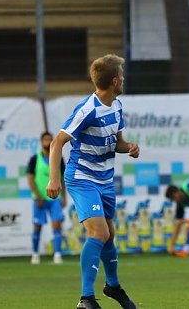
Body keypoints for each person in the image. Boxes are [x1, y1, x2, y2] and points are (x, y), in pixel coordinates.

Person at [47, 54, 140, 309]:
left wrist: (128, 146)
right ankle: (85, 299)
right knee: (99, 232)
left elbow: (117, 143)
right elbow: (57, 142)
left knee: (109, 235)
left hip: (105, 179)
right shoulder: (88, 109)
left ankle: (113, 286)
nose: (123, 78)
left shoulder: (117, 106)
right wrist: (54, 178)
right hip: (81, 177)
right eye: (121, 74)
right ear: (114, 80)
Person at [28, 131, 67, 264]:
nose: (48, 142)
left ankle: (57, 255)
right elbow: (30, 178)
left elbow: (62, 178)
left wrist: (64, 196)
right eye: (45, 139)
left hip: (55, 198)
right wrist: (38, 196)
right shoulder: (35, 159)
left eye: (50, 139)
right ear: (41, 142)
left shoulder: (58, 158)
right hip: (40, 199)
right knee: (37, 226)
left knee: (57, 225)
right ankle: (35, 254)